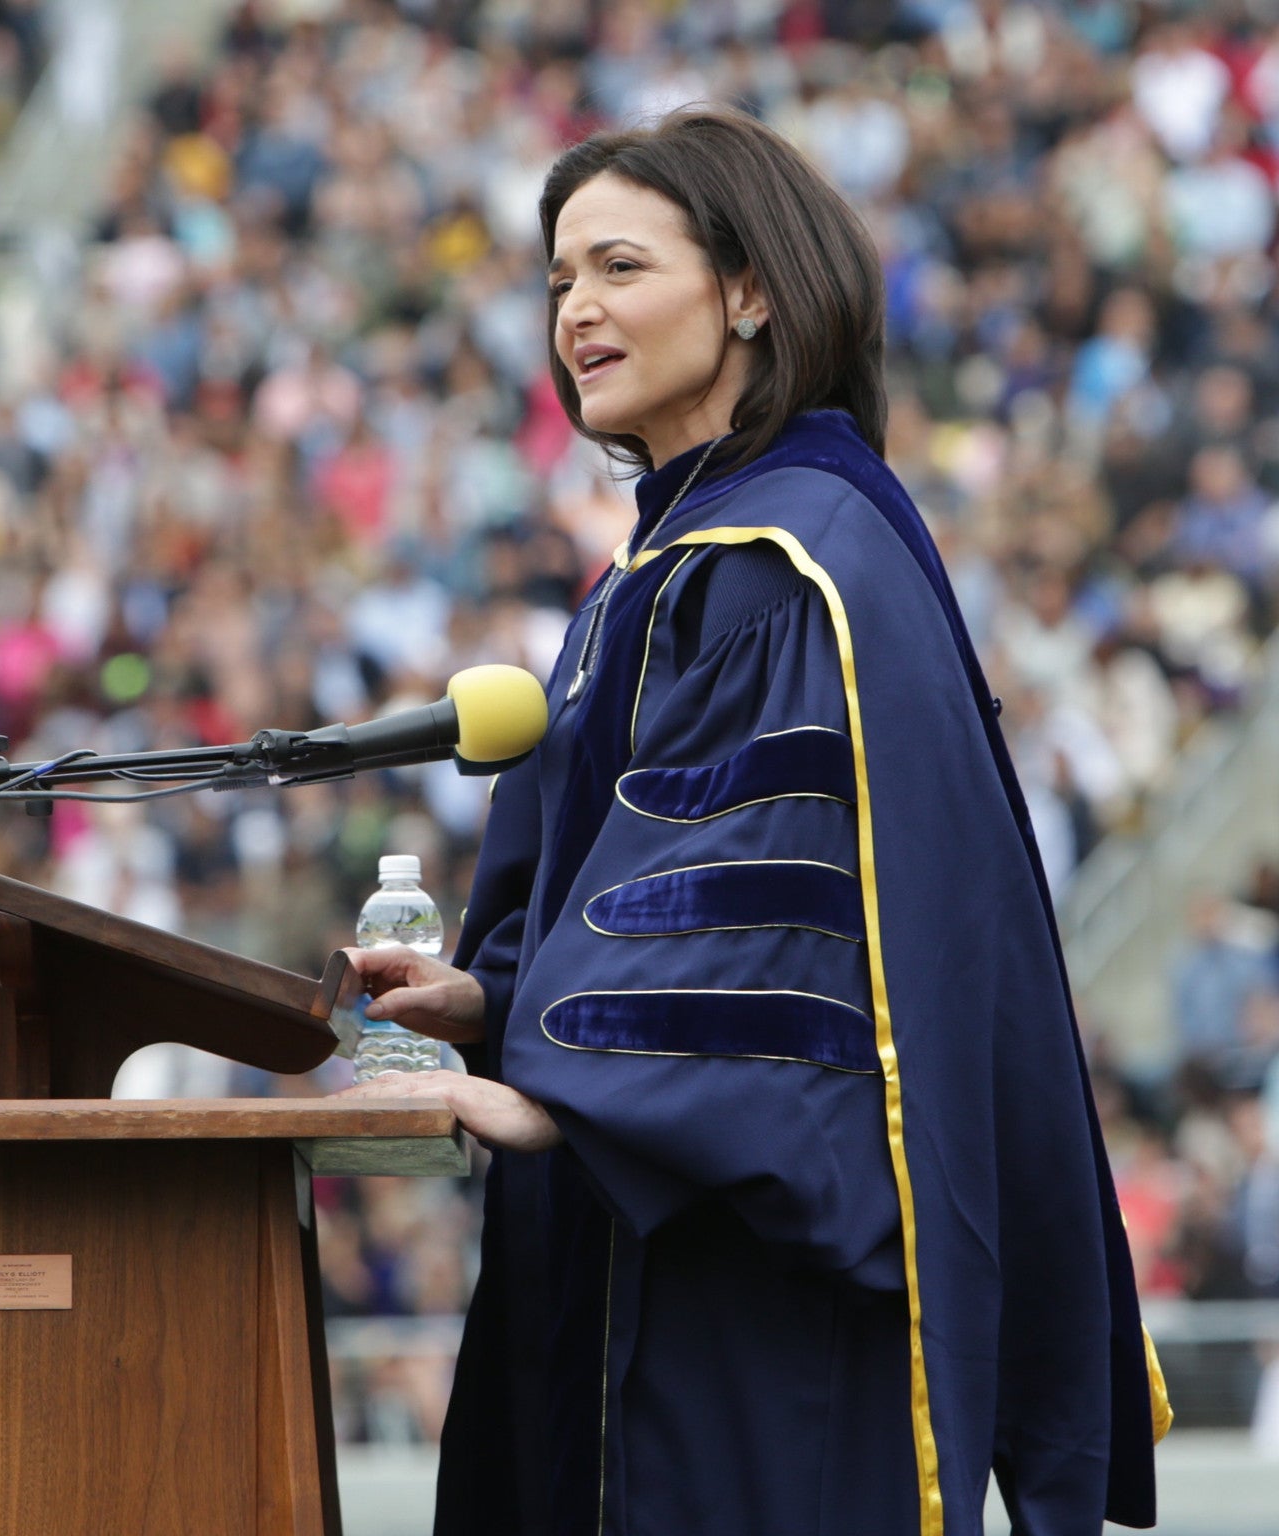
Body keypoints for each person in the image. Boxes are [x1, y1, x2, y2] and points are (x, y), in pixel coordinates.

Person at [339, 110, 1168, 1536]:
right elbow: (647, 888)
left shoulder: (794, 560)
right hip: (636, 1266)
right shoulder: (655, 574)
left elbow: (779, 936)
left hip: (758, 1307)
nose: (576, 312)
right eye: (556, 284)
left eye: (616, 267)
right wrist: (502, 996)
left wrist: (571, 1080)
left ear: (750, 289)